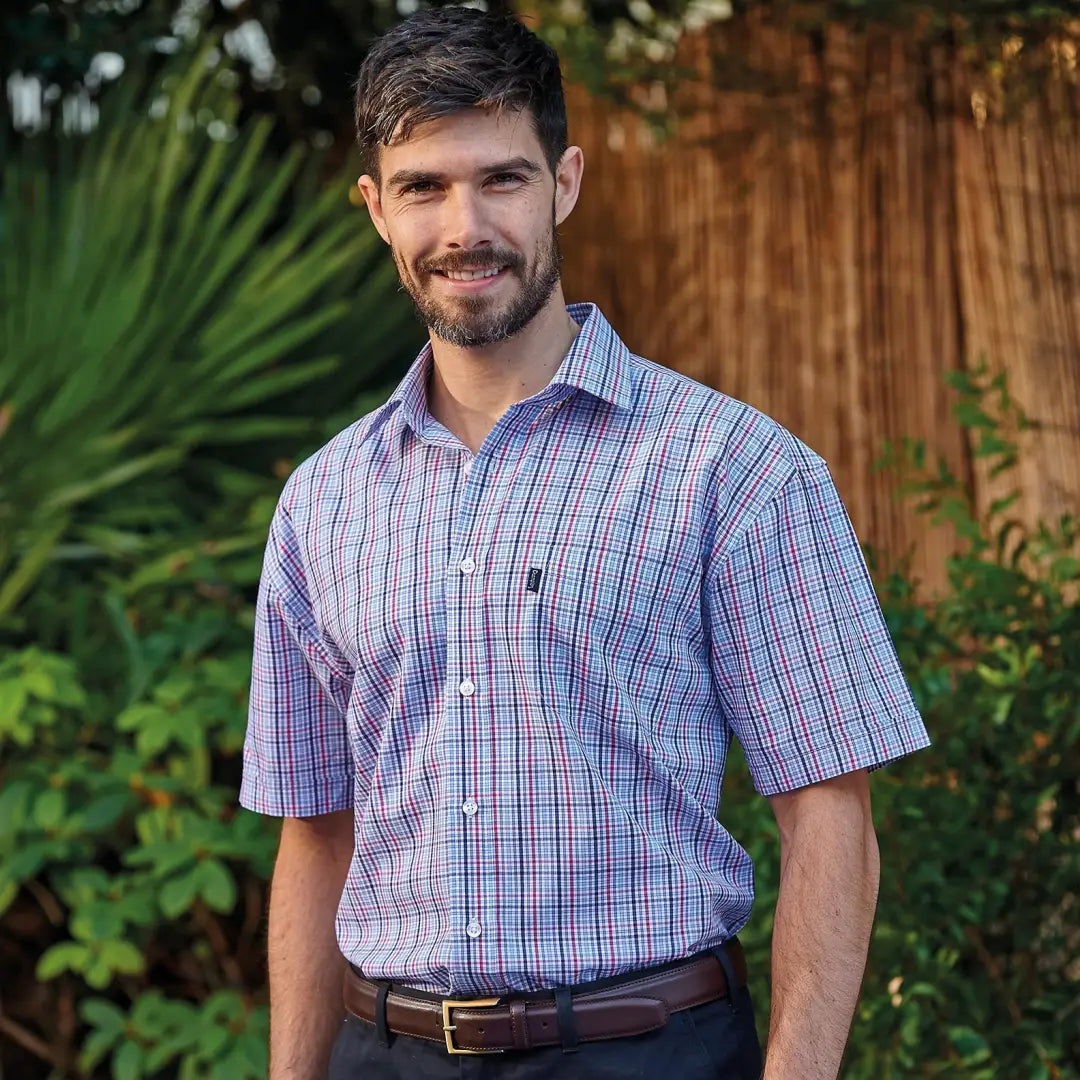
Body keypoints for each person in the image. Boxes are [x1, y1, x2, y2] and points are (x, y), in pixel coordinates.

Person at [240, 7, 931, 1079]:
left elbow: (830, 814)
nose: (464, 225)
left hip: (649, 1049)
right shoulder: (322, 502)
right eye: (424, 187)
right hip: (384, 1054)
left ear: (563, 182)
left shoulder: (735, 468)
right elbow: (314, 837)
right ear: (378, 208)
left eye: (501, 179)